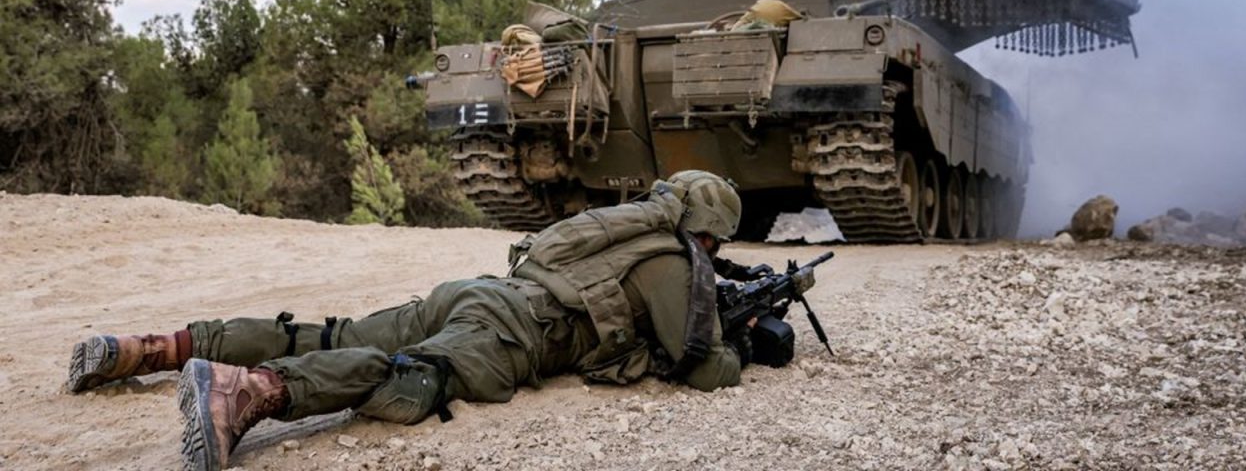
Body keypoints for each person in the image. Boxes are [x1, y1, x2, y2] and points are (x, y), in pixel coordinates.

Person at [66, 170, 750, 471]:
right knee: (414, 379)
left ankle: (146, 348)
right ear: (710, 230)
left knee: (332, 333)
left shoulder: (622, 225)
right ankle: (251, 392)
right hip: (510, 335)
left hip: (473, 294)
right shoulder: (672, 262)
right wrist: (745, 345)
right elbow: (702, 366)